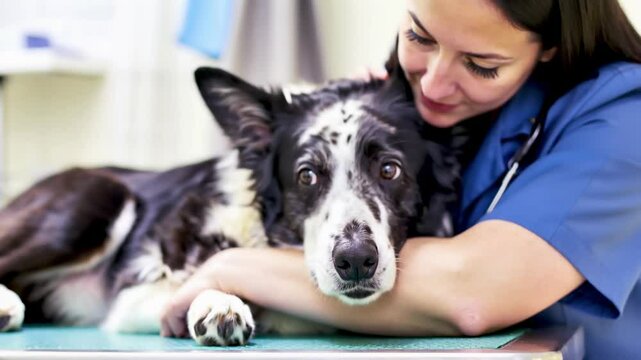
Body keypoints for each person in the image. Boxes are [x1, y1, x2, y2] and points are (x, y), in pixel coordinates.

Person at [161, 1, 641, 358]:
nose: (431, 84)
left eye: (481, 65)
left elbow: (474, 291)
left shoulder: (623, 122)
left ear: (550, 48)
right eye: (419, 36)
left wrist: (234, 269)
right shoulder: (430, 112)